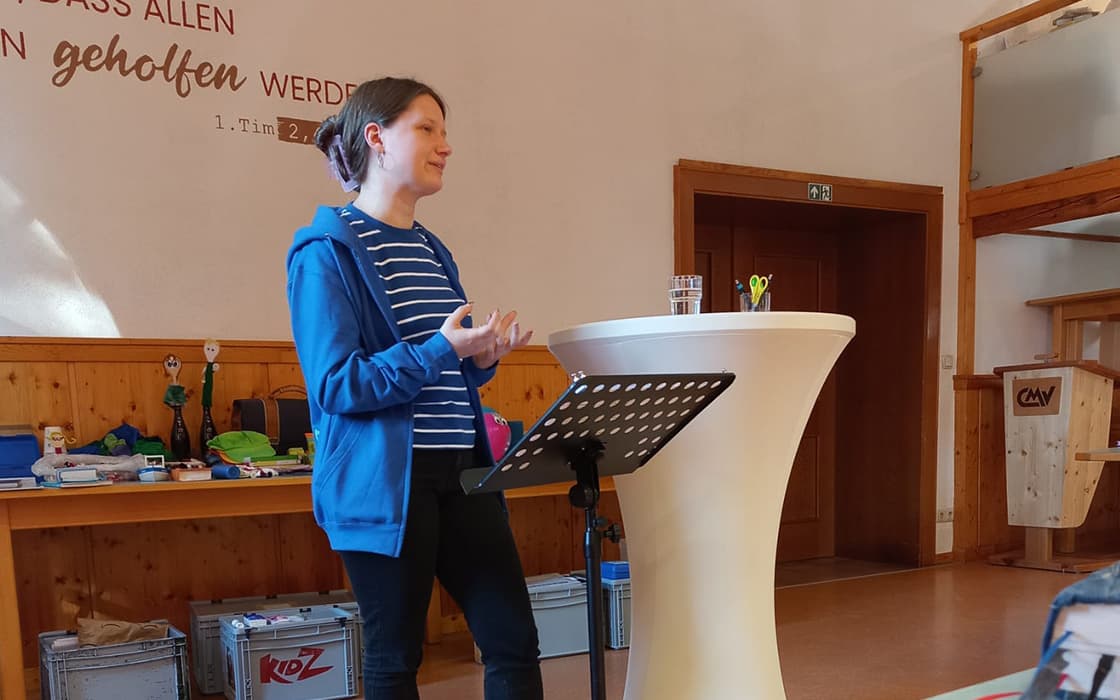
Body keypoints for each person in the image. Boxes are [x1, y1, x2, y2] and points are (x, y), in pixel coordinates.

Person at [285, 77, 543, 700]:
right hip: (384, 483)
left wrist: (481, 357)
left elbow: (449, 372)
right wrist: (439, 351)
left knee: (513, 641)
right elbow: (337, 384)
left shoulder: (432, 249)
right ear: (376, 137)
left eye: (445, 132)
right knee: (396, 657)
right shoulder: (324, 251)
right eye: (427, 129)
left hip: (464, 470)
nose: (445, 146)